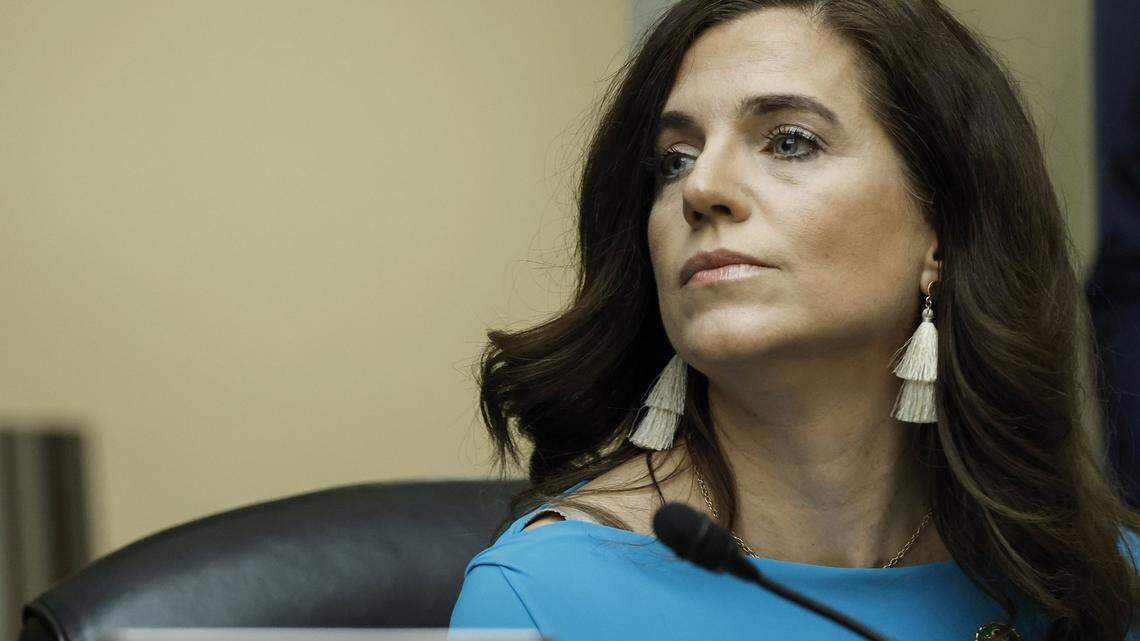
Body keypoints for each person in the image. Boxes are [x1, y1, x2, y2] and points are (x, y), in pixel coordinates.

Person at [449, 1, 1140, 639]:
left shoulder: (1103, 580)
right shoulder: (539, 599)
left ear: (942, 227)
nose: (703, 188)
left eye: (787, 142)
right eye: (673, 159)